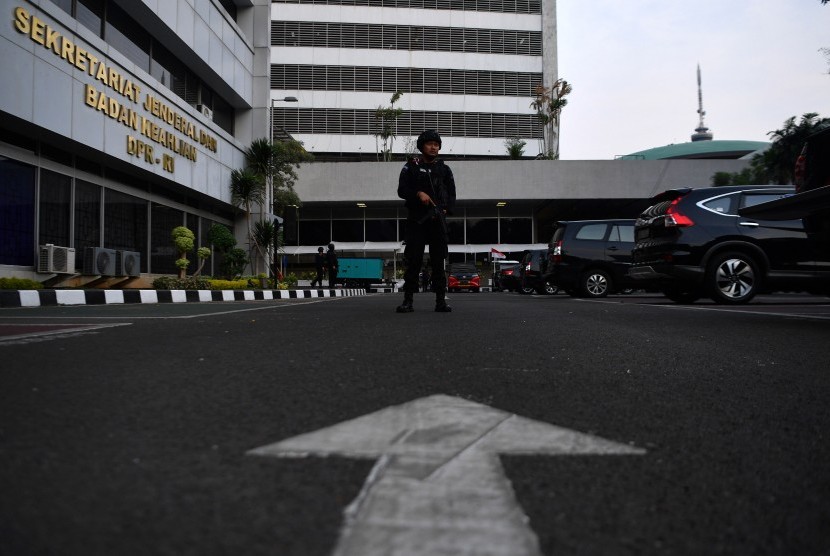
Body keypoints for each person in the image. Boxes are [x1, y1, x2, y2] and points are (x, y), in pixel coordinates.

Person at [396, 129, 456, 313]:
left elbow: (452, 195)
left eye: (436, 145)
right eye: (430, 144)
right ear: (422, 146)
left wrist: (445, 209)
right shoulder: (411, 166)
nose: (433, 147)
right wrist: (418, 194)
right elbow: (402, 190)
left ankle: (440, 301)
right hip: (417, 220)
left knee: (439, 261)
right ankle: (408, 301)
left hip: (437, 221)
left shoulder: (444, 169)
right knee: (413, 260)